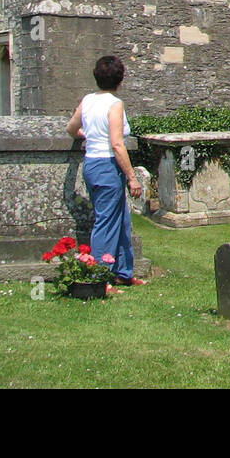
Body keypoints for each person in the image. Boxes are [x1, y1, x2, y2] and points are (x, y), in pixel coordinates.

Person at [65, 55, 144, 292]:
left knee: (121, 219)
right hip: (107, 165)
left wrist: (86, 135)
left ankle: (123, 272)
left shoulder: (87, 100)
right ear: (120, 80)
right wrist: (132, 177)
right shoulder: (114, 104)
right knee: (106, 222)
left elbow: (71, 128)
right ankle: (99, 278)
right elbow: (117, 144)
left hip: (92, 164)